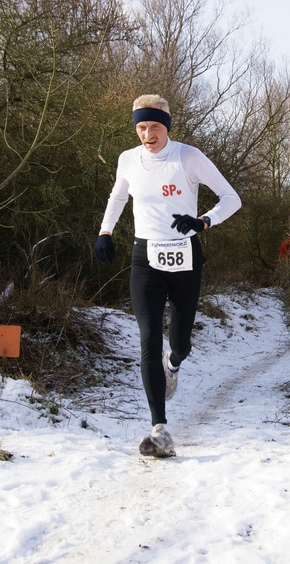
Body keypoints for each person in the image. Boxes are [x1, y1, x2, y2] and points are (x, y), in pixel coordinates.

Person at [94, 94, 241, 458]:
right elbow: (118, 197)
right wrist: (105, 232)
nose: (147, 134)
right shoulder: (128, 160)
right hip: (146, 257)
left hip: (186, 255)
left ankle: (173, 364)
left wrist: (203, 221)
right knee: (148, 337)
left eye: (154, 127)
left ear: (167, 127)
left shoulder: (187, 157)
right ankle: (159, 429)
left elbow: (231, 197)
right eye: (141, 127)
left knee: (180, 343)